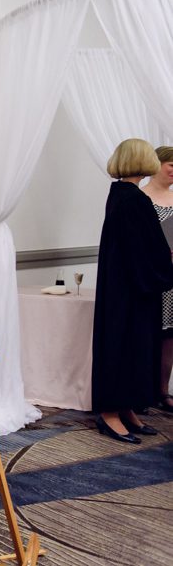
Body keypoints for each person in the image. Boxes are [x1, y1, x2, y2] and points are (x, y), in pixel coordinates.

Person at [93, 139, 173, 443]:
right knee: (123, 348)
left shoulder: (122, 194)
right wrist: (164, 268)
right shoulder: (132, 200)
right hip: (130, 291)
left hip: (127, 288)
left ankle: (126, 409)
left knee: (132, 349)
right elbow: (142, 250)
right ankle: (110, 413)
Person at [141, 146, 173, 413]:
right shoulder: (140, 197)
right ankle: (143, 390)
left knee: (170, 336)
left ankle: (163, 390)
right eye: (170, 164)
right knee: (148, 333)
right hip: (150, 275)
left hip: (172, 276)